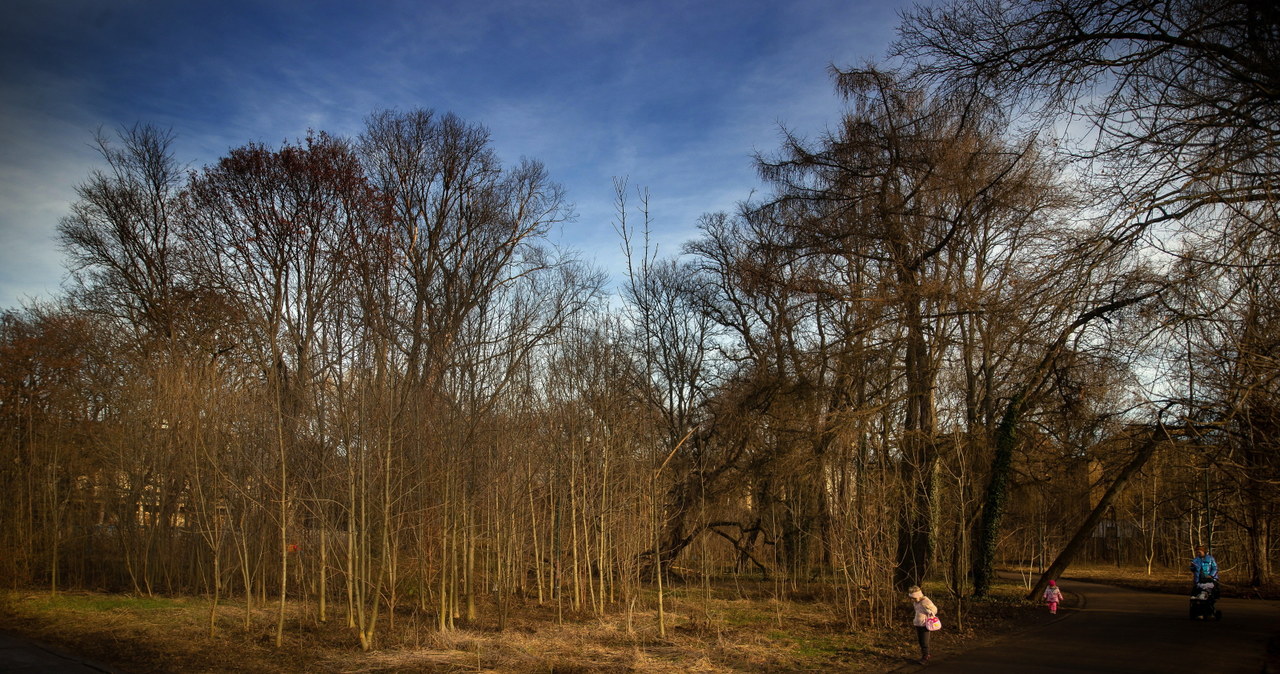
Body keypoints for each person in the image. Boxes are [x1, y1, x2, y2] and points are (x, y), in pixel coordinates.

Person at [907, 585, 938, 665]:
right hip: (918, 624)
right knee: (920, 641)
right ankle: (924, 655)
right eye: (911, 598)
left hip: (925, 625)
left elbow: (935, 610)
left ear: (918, 595)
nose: (912, 600)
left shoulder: (926, 601)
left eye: (914, 598)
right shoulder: (915, 602)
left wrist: (929, 611)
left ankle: (926, 656)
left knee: (924, 642)